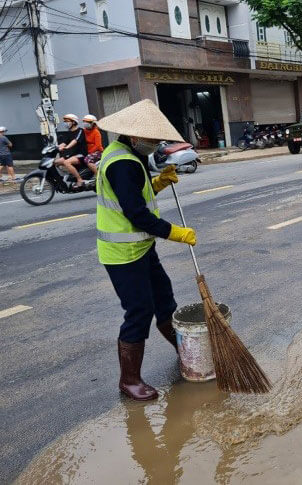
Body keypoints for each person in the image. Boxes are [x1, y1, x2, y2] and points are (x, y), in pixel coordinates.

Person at [95, 99, 197, 401]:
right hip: (123, 253)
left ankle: (186, 353)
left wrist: (159, 183)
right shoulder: (123, 162)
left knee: (165, 301)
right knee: (139, 310)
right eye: (152, 140)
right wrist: (174, 233)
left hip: (140, 247)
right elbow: (136, 214)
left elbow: (136, 195)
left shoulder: (127, 154)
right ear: (135, 136)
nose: (155, 145)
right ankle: (129, 380)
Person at [56, 114, 89, 188]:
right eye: (64, 121)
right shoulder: (69, 132)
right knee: (55, 162)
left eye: (67, 121)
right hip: (72, 155)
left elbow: (75, 141)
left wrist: (67, 147)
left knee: (66, 162)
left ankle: (79, 179)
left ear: (74, 122)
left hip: (81, 154)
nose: (65, 123)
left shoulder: (80, 130)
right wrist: (56, 148)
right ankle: (66, 177)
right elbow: (64, 143)